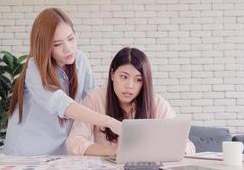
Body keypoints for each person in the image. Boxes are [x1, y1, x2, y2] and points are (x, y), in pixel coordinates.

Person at [3, 8, 121, 156]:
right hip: (26, 154)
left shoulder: (81, 60)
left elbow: (92, 101)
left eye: (71, 38)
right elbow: (64, 105)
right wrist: (110, 122)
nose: (68, 48)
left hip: (60, 154)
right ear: (45, 47)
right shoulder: (35, 69)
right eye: (57, 44)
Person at [66, 47, 196, 156]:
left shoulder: (157, 104)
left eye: (138, 79)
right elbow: (74, 141)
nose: (130, 85)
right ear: (112, 74)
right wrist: (112, 151)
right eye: (124, 77)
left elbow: (187, 146)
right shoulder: (95, 99)